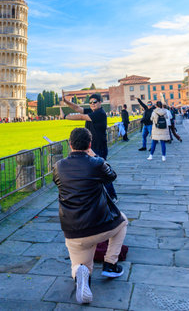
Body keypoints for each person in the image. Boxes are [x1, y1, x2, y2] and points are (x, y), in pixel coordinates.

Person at [53, 127, 128, 305]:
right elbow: (112, 176)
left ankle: (80, 274)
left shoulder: (58, 166)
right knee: (123, 221)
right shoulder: (96, 163)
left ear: (70, 144)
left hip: (73, 231)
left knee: (81, 265)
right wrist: (95, 157)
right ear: (89, 144)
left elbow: (58, 183)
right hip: (100, 226)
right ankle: (110, 263)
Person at [60, 92, 118, 202]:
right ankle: (97, 195)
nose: (92, 104)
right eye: (90, 102)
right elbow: (77, 108)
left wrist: (64, 116)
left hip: (98, 147)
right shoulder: (92, 111)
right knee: (91, 171)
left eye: (94, 102)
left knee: (102, 172)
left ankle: (112, 196)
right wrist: (66, 102)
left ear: (100, 102)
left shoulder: (100, 113)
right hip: (90, 147)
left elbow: (82, 116)